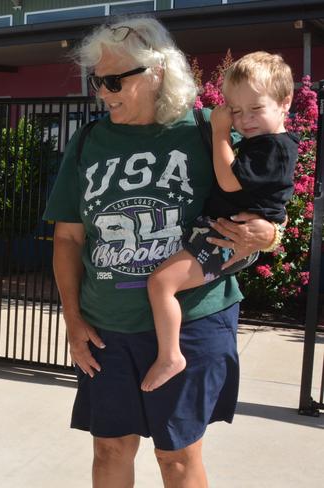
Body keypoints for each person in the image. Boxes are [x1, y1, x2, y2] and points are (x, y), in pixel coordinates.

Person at [43, 17, 279, 487]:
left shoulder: (203, 131)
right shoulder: (89, 141)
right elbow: (68, 238)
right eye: (97, 80)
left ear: (156, 73)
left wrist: (268, 236)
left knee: (176, 457)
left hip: (192, 321)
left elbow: (266, 208)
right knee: (109, 449)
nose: (103, 92)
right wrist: (73, 319)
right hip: (106, 327)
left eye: (114, 80)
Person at [142, 51, 298, 392]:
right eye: (237, 111)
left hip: (225, 237)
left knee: (160, 284)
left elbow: (229, 182)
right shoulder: (267, 143)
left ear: (286, 102)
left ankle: (170, 356)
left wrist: (220, 132)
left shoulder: (272, 148)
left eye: (256, 109)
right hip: (221, 231)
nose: (245, 120)